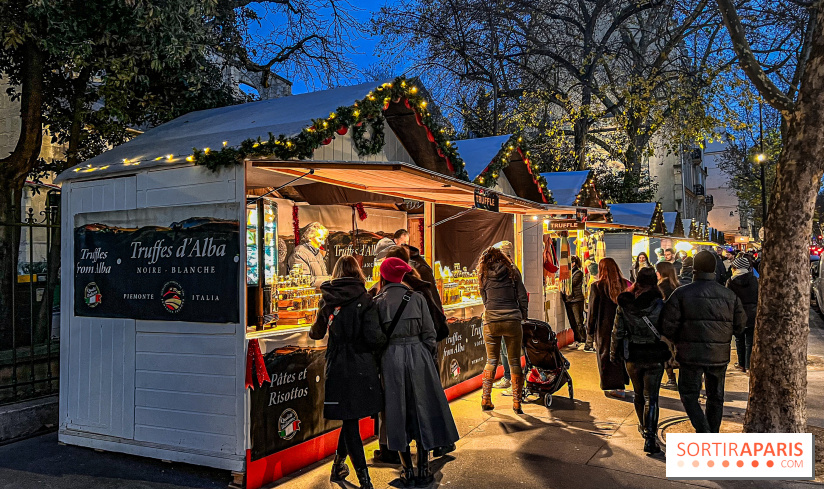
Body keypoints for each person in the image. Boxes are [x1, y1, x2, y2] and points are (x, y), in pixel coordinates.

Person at [375, 257, 459, 487]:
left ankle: (406, 470)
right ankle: (423, 466)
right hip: (419, 357)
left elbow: (374, 337)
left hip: (391, 359)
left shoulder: (378, 302)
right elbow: (430, 333)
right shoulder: (417, 298)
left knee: (396, 412)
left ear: (382, 276)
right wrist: (424, 352)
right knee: (422, 409)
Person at [310, 256, 384, 489]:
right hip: (362, 365)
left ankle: (339, 466)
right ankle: (364, 479)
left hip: (338, 364)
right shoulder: (366, 299)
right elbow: (374, 337)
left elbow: (315, 334)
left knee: (349, 417)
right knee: (351, 418)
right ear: (358, 273)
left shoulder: (328, 299)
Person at [661, 250, 747, 433]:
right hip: (718, 355)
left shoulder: (681, 293)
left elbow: (667, 326)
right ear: (714, 270)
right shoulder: (729, 295)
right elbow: (740, 326)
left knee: (688, 394)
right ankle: (711, 433)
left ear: (694, 269)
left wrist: (679, 340)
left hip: (690, 354)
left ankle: (703, 431)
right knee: (716, 396)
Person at [610, 267, 670, 453]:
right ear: (654, 282)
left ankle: (644, 428)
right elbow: (667, 329)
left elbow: (617, 332)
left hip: (633, 354)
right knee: (651, 398)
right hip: (653, 355)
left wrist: (614, 353)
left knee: (638, 395)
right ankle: (650, 439)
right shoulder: (660, 303)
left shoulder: (625, 304)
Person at [478, 246, 529, 413]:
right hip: (512, 319)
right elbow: (522, 295)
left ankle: (486, 399)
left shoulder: (483, 273)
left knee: (491, 360)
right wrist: (523, 315)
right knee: (514, 361)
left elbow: (484, 297)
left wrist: (490, 309)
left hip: (491, 319)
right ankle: (516, 403)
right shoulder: (512, 270)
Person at [587, 257, 629, 396]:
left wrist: (590, 330)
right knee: (619, 353)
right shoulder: (624, 284)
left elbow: (592, 311)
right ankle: (621, 386)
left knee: (606, 355)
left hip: (604, 327)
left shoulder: (597, 286)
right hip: (622, 326)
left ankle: (615, 387)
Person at [727, 255, 759, 373]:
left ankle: (741, 364)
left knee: (739, 339)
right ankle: (748, 365)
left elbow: (729, 299)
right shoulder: (754, 280)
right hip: (752, 313)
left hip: (738, 314)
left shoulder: (731, 281)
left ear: (735, 268)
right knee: (750, 341)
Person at [655, 261, 681, 388]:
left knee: (665, 352)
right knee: (678, 352)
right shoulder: (677, 286)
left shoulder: (661, 287)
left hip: (665, 325)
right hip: (678, 325)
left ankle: (671, 379)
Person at [288, 221, 330, 286]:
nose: (323, 243)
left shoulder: (318, 253)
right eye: (320, 239)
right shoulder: (299, 253)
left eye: (324, 239)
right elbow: (303, 280)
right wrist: (329, 280)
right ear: (310, 237)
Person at [562, 256, 589, 350]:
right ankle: (577, 340)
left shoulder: (578, 273)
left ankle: (583, 340)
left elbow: (571, 284)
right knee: (572, 322)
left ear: (573, 263)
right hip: (569, 300)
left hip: (576, 300)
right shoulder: (568, 273)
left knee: (579, 321)